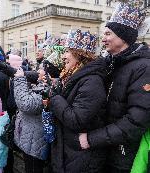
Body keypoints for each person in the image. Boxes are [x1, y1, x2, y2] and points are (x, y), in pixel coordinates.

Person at [77, 1, 150, 172]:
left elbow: (136, 121)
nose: (103, 38)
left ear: (122, 36)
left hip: (123, 156)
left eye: (108, 33)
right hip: (105, 149)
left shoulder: (144, 68)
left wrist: (92, 139)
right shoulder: (110, 63)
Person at [49, 29, 108, 172]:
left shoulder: (92, 81)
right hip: (70, 151)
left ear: (80, 54)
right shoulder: (74, 76)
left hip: (81, 157)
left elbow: (76, 120)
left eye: (67, 51)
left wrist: (55, 98)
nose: (63, 56)